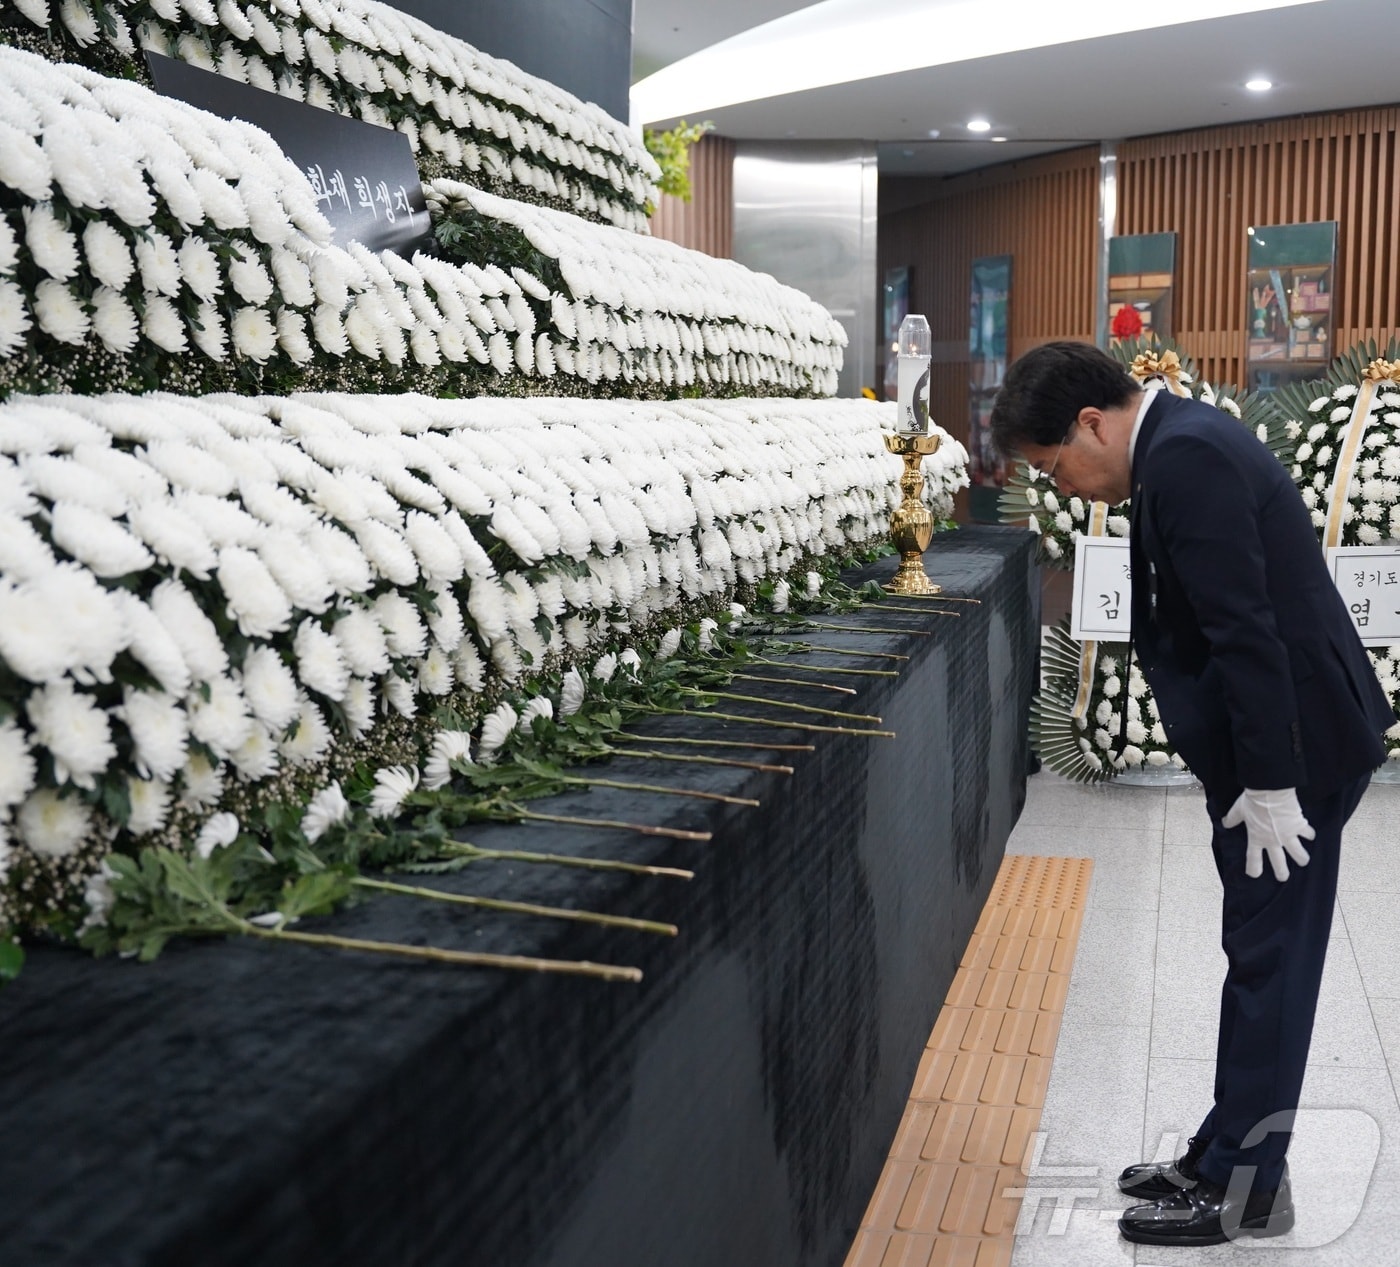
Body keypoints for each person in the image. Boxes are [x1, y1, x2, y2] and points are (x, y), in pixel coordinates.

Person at [989, 341, 1392, 1248]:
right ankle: (1222, 1154)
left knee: (1271, 962)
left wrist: (1273, 784)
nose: (1065, 488)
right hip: (1278, 746)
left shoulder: (1187, 459)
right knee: (1257, 950)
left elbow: (1245, 631)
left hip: (1295, 752)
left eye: (1057, 468)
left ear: (1092, 423)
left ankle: (1249, 1188)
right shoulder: (1178, 447)